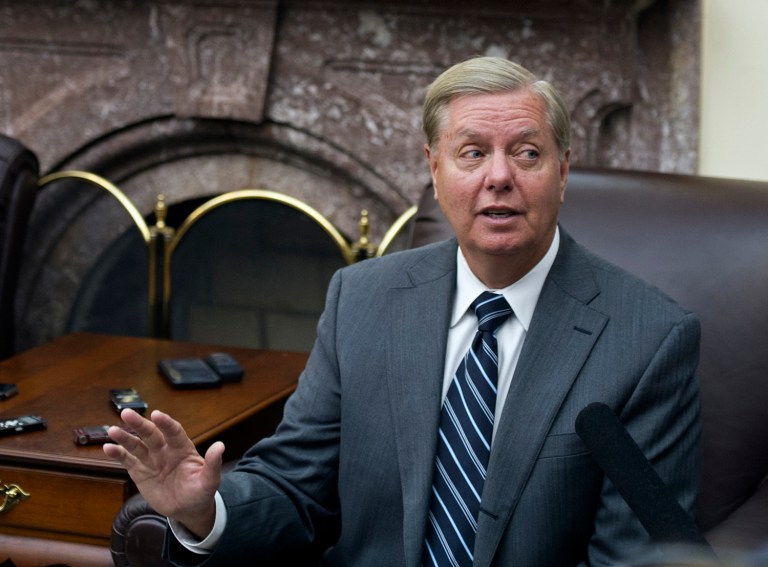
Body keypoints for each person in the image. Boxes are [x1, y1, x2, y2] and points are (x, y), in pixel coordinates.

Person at [104, 56, 702, 566]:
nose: (499, 177)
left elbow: (634, 557)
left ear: (563, 173)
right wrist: (204, 509)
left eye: (526, 154)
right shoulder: (360, 300)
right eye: (472, 153)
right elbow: (295, 486)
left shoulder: (647, 340)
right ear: (434, 171)